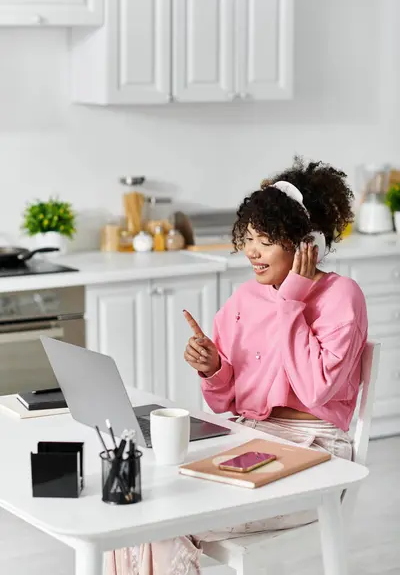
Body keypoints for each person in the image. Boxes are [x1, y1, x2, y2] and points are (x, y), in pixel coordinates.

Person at [105, 158, 368, 575]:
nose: (251, 251)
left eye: (264, 240)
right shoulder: (246, 299)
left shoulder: (342, 296)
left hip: (318, 453)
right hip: (250, 437)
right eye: (247, 238)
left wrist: (290, 304)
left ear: (305, 244)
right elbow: (225, 401)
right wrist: (213, 369)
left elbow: (317, 389)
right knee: (137, 506)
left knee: (166, 521)